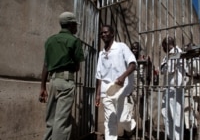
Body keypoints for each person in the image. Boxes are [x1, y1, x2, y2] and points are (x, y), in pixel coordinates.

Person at [39, 11, 84, 140]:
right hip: (66, 81)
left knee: (51, 120)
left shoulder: (50, 41)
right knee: (62, 122)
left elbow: (46, 64)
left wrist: (42, 87)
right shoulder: (74, 41)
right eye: (75, 25)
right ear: (70, 25)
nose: (76, 27)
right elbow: (76, 67)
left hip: (52, 81)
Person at [95, 25, 137, 140]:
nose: (103, 35)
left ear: (112, 33)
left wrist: (123, 76)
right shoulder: (101, 54)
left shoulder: (121, 47)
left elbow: (133, 64)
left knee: (123, 119)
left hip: (121, 90)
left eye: (106, 32)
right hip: (106, 92)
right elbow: (99, 75)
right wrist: (98, 94)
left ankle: (131, 125)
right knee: (109, 121)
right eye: (101, 33)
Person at [160, 36, 185, 140]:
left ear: (167, 44)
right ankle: (171, 137)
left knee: (176, 115)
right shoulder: (168, 55)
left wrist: (163, 67)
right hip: (167, 87)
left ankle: (178, 138)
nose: (163, 49)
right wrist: (162, 67)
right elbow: (162, 69)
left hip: (175, 88)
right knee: (166, 113)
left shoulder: (176, 52)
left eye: (163, 46)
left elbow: (168, 69)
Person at [183, 43, 200, 139]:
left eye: (187, 47)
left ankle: (194, 132)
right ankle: (191, 130)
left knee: (196, 108)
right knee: (193, 108)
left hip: (196, 86)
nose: (185, 48)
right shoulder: (185, 59)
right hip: (187, 87)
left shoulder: (199, 58)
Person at [130, 42, 153, 137]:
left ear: (139, 49)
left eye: (136, 48)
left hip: (142, 88)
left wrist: (147, 85)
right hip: (131, 88)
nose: (134, 50)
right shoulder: (128, 59)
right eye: (132, 48)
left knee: (144, 112)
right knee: (129, 112)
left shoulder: (143, 59)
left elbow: (150, 71)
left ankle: (147, 132)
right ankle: (130, 132)